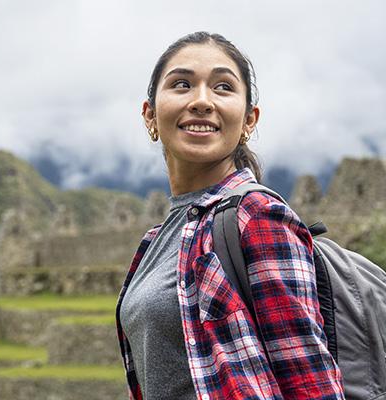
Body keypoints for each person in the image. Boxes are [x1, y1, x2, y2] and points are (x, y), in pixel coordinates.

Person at [115, 31, 343, 400]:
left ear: (249, 120)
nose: (202, 101)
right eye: (182, 84)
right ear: (150, 115)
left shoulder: (257, 218)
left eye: (222, 87)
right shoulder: (155, 240)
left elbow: (311, 385)